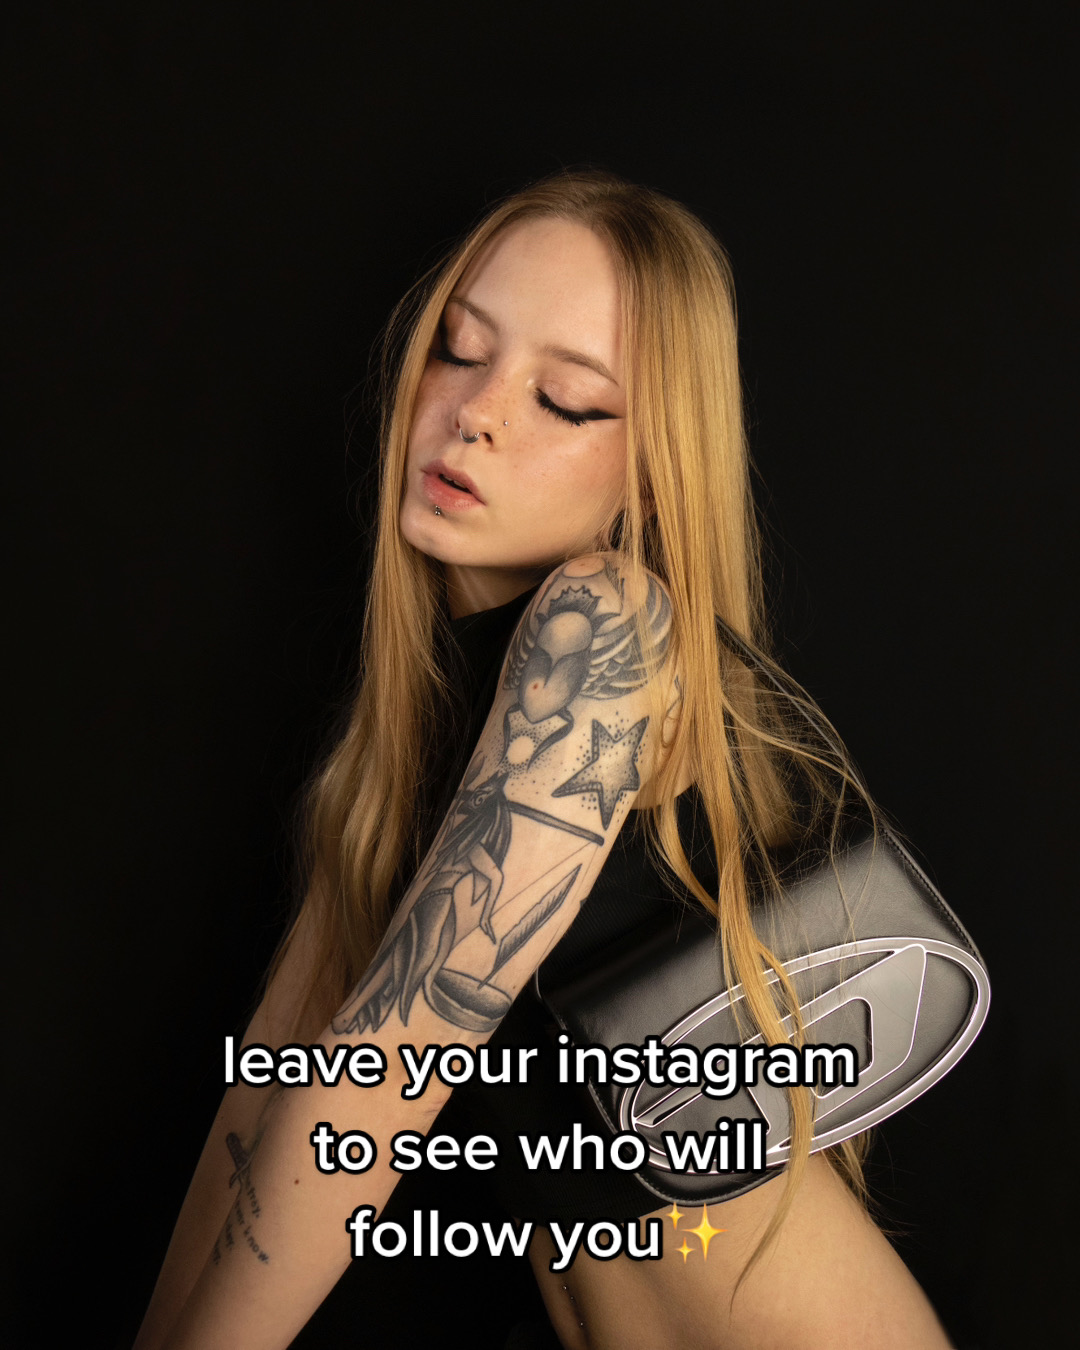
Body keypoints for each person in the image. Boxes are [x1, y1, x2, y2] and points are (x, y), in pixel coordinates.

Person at [135, 171, 952, 1349]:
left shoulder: (608, 626)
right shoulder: (407, 745)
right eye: (459, 349)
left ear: (652, 469)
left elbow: (395, 1066)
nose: (477, 411)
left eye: (566, 401)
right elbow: (268, 1097)